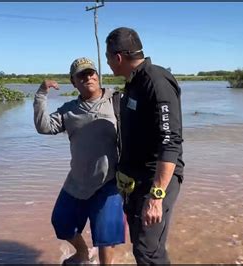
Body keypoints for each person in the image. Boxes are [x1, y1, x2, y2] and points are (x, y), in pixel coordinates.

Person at [105, 27, 185, 265]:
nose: (108, 63)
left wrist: (157, 195)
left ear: (118, 57)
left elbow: (170, 141)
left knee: (148, 251)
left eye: (108, 57)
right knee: (143, 246)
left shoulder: (155, 81)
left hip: (155, 181)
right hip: (136, 182)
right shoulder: (133, 83)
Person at [33, 57, 124, 265]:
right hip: (78, 180)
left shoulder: (117, 101)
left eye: (91, 73)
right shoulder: (69, 110)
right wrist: (41, 94)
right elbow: (44, 127)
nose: (88, 77)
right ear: (73, 82)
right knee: (61, 222)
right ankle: (82, 253)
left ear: (98, 76)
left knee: (105, 236)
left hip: (110, 182)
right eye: (81, 75)